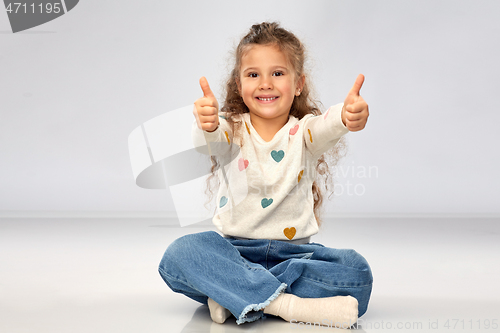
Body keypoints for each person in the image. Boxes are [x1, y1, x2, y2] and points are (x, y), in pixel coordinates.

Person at [158, 22, 371, 328]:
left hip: (295, 257)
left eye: (278, 73)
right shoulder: (232, 129)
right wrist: (206, 124)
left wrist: (347, 115)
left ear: (298, 84)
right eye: (253, 74)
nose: (265, 83)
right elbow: (211, 139)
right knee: (179, 254)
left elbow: (329, 124)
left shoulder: (305, 132)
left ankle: (235, 294)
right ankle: (286, 305)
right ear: (239, 83)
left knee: (357, 273)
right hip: (234, 252)